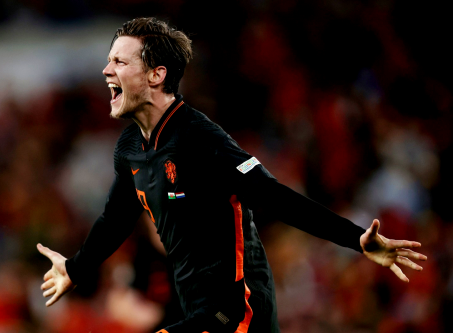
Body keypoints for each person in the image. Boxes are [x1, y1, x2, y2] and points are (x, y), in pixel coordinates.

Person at [37, 17, 427, 333]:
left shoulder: (200, 138)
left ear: (156, 75)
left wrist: (354, 238)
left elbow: (273, 195)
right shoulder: (129, 147)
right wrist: (75, 268)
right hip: (200, 313)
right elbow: (115, 218)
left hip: (238, 311)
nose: (106, 70)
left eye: (120, 62)